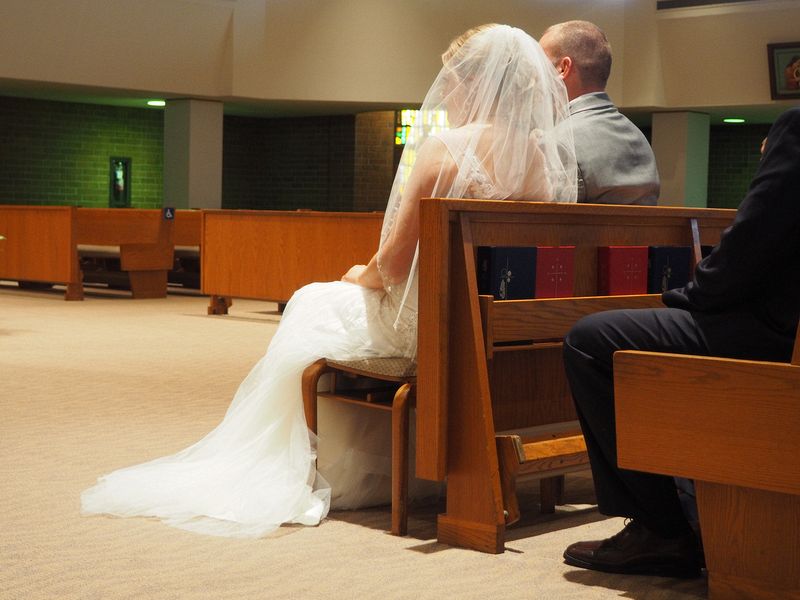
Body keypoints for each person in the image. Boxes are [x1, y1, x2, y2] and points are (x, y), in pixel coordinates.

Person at [81, 24, 578, 538]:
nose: (446, 91)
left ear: (477, 84)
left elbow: (392, 265)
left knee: (311, 300)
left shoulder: (443, 151)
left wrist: (358, 274)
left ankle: (321, 469)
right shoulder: (540, 163)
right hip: (489, 324)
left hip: (424, 328)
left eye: (451, 80)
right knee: (325, 303)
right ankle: (370, 464)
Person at [561, 106, 800, 577]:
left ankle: (662, 528)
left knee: (590, 339)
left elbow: (754, 238)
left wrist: (693, 294)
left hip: (772, 334)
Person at [539, 20, 660, 205]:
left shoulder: (560, 141)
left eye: (540, 63)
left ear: (563, 68)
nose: (535, 74)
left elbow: (547, 224)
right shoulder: (638, 137)